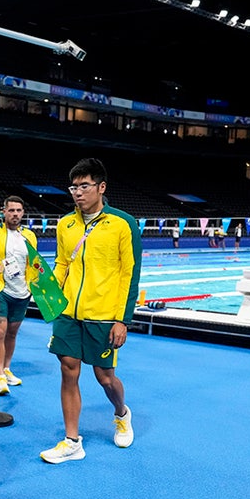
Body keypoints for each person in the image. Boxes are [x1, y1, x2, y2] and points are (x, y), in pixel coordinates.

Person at [41, 157, 142, 464]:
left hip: (103, 315)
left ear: (101, 187)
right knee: (68, 369)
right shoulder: (65, 224)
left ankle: (122, 412)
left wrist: (122, 319)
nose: (77, 192)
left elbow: (130, 273)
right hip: (68, 313)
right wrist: (49, 295)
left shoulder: (123, 224)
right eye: (73, 186)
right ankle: (72, 441)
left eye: (84, 186)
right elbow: (62, 264)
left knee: (105, 377)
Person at [0, 195, 38, 396]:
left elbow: (34, 263)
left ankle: (6, 368)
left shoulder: (30, 236)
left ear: (23, 213)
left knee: (12, 333)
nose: (15, 214)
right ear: (4, 212)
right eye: (11, 210)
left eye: (18, 210)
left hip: (22, 291)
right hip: (0, 289)